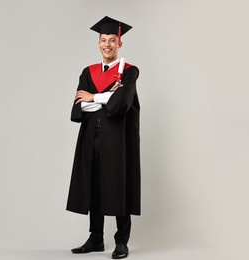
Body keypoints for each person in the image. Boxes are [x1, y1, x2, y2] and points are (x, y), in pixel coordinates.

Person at [66, 16, 141, 259]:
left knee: (119, 184)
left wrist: (94, 98)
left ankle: (122, 242)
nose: (107, 44)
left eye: (112, 40)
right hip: (91, 138)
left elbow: (122, 104)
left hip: (117, 140)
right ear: (98, 44)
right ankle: (96, 239)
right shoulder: (88, 72)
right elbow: (79, 106)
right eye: (103, 40)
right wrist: (105, 98)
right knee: (93, 185)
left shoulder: (129, 72)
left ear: (119, 43)